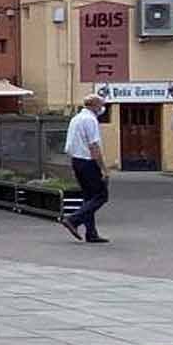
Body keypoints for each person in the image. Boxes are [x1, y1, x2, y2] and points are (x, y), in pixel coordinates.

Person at [62, 93, 111, 244]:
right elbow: (94, 146)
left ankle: (91, 233)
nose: (102, 108)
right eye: (100, 105)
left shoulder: (76, 119)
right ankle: (73, 220)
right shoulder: (90, 120)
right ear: (94, 105)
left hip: (77, 160)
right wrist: (103, 168)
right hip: (88, 161)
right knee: (101, 195)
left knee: (89, 197)